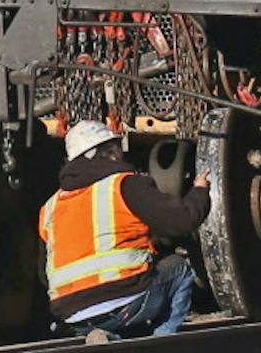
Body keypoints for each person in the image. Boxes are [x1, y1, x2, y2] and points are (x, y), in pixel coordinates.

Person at [39, 120, 212, 341]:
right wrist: (199, 191)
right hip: (125, 303)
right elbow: (183, 220)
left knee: (127, 295)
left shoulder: (50, 207)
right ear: (109, 153)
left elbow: (44, 274)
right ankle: (161, 341)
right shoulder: (124, 185)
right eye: (118, 149)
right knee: (179, 268)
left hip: (72, 315)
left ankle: (108, 335)